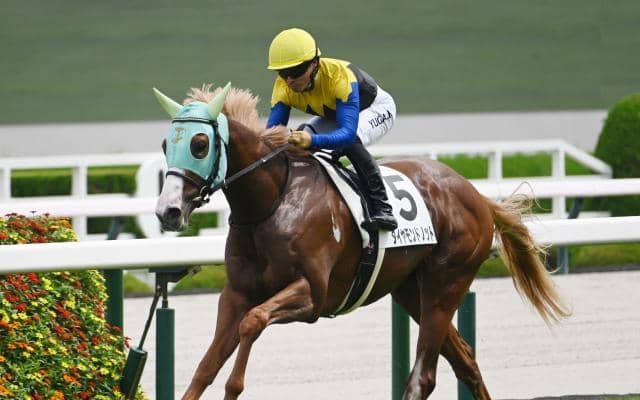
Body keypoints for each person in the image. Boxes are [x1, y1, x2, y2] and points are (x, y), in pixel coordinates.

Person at [266, 27, 398, 231]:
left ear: (314, 64)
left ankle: (383, 207)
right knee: (299, 142)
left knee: (350, 143)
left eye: (296, 71)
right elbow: (272, 136)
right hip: (336, 115)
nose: (289, 80)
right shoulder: (282, 87)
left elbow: (346, 135)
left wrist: (312, 141)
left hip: (376, 109)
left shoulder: (339, 78)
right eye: (283, 73)